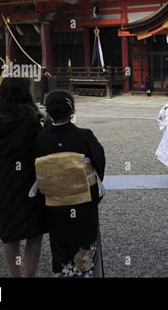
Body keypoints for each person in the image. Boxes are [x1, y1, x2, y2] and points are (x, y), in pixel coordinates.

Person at [0, 78, 46, 277]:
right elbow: (41, 151)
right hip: (29, 186)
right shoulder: (30, 121)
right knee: (34, 234)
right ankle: (29, 275)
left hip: (2, 185)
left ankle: (15, 275)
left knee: (9, 237)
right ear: (25, 93)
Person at [33, 89, 106, 277]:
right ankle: (84, 271)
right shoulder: (84, 135)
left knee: (60, 241)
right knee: (84, 240)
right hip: (83, 201)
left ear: (49, 112)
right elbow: (99, 161)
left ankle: (63, 271)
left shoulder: (41, 138)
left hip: (55, 203)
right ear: (71, 111)